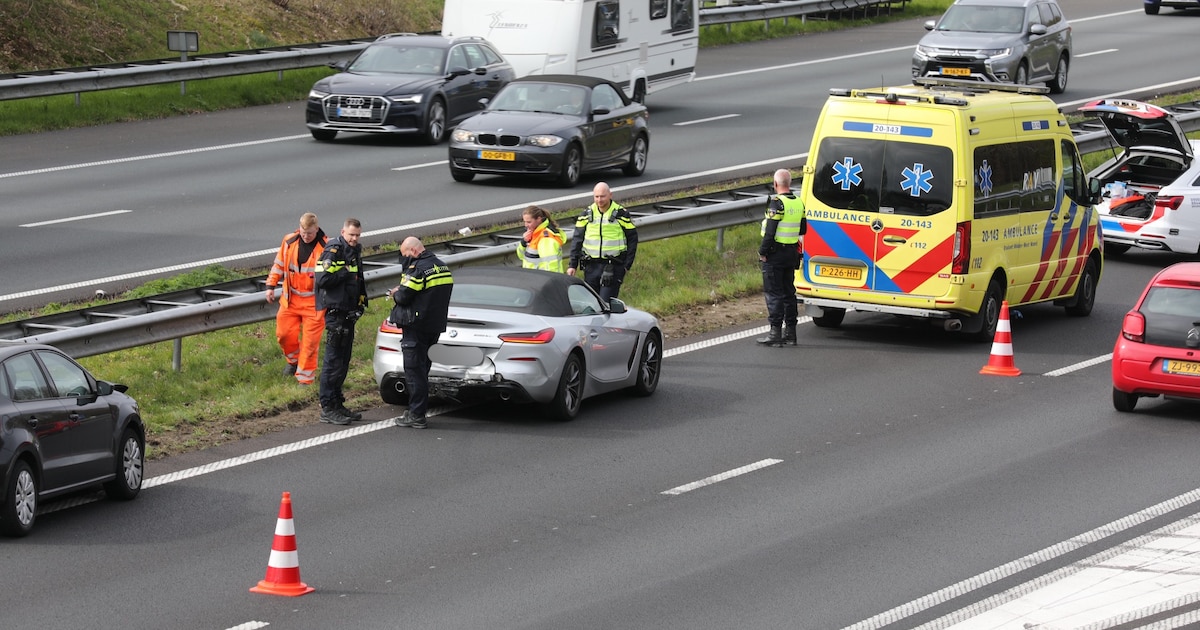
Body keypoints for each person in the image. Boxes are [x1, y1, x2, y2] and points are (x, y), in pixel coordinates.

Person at [388, 237, 454, 430]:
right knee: (423, 369)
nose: (404, 259)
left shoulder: (416, 269)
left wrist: (396, 292)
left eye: (405, 255)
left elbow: (403, 296)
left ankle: (416, 414)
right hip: (434, 326)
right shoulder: (442, 267)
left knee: (414, 371)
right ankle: (416, 410)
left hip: (416, 326)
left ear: (412, 251)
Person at [315, 218, 367, 425]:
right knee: (333, 362)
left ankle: (337, 403)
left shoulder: (353, 250)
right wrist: (344, 271)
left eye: (357, 235)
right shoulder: (334, 250)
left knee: (343, 362)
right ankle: (327, 406)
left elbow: (358, 280)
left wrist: (361, 301)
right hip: (336, 313)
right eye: (351, 235)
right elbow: (322, 279)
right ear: (343, 232)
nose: (354, 239)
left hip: (348, 312)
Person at [265, 212, 327, 385]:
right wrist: (271, 286)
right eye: (303, 232)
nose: (306, 237)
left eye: (309, 233)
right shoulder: (289, 241)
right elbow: (279, 264)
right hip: (290, 301)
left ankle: (305, 379)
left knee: (310, 343)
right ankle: (293, 362)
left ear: (317, 229)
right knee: (283, 335)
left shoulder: (326, 248)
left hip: (313, 305)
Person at [757, 168, 806, 347]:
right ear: (790, 184)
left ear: (775, 184)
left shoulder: (777, 203)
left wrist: (763, 252)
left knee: (773, 294)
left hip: (775, 254)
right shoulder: (799, 202)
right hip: (791, 252)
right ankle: (791, 334)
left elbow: (770, 232)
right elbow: (803, 230)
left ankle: (775, 332)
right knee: (788, 293)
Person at [567, 182, 638, 301]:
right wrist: (572, 265)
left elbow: (632, 240)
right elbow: (577, 240)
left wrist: (626, 266)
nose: (599, 200)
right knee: (591, 305)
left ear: (610, 195)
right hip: (591, 267)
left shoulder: (621, 214)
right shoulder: (586, 214)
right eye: (596, 197)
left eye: (602, 196)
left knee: (605, 305)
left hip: (613, 266)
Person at [517, 205, 567, 272]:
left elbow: (551, 266)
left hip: (542, 279)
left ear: (539, 219)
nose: (526, 225)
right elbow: (522, 257)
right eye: (524, 222)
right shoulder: (533, 234)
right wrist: (524, 242)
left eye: (529, 222)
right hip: (534, 277)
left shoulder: (545, 238)